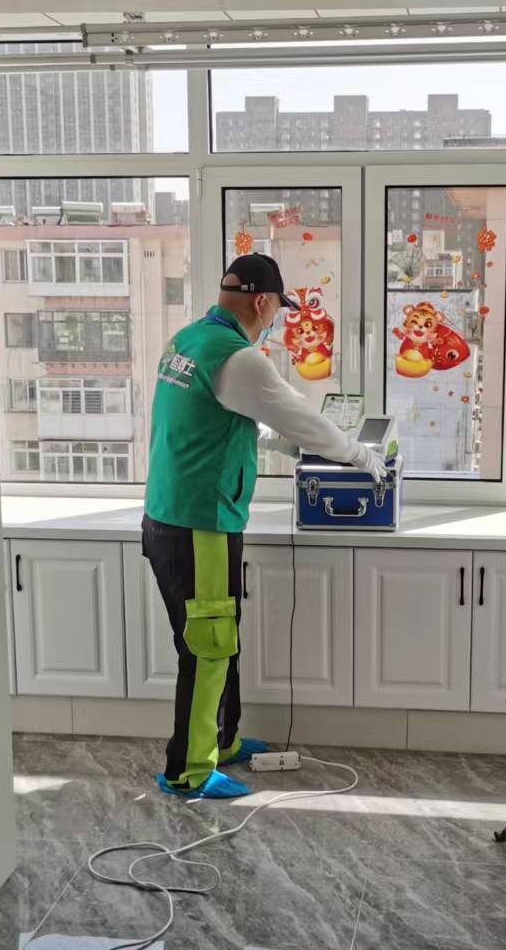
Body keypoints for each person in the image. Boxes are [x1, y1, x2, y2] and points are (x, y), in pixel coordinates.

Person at [142, 253, 387, 800]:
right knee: (208, 645)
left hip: (171, 515)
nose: (277, 318)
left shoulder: (189, 340)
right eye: (278, 307)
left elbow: (207, 419)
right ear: (261, 302)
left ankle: (223, 739)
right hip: (198, 524)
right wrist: (357, 455)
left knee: (218, 635)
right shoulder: (240, 358)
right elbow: (303, 419)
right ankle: (189, 770)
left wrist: (270, 440)